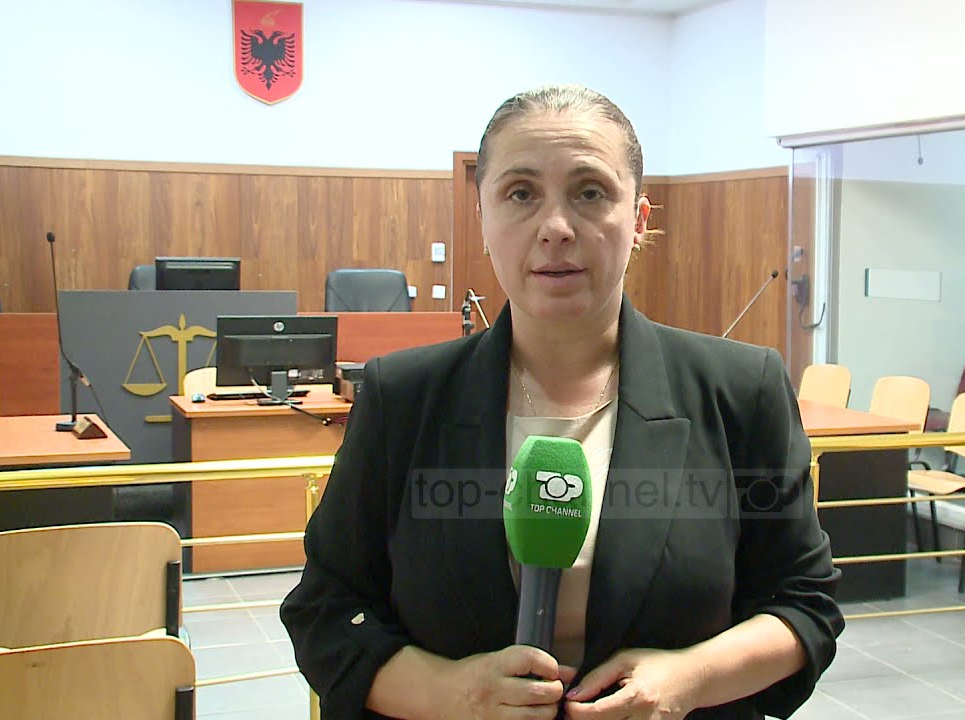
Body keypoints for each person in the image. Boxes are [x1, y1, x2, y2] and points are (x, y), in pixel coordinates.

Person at [281, 84, 843, 719]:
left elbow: (803, 603)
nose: (555, 228)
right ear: (483, 219)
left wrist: (688, 681)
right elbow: (327, 609)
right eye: (521, 194)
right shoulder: (402, 398)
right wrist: (452, 693)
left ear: (639, 219)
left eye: (591, 192)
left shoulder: (742, 391)